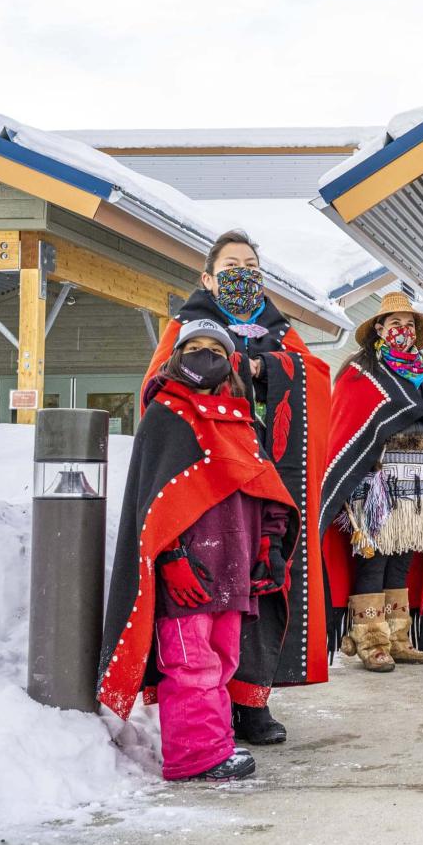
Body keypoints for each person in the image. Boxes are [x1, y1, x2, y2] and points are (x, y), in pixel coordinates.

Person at [144, 230, 332, 746]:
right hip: (208, 483)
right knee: (211, 590)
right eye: (231, 265)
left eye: (251, 264)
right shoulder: (186, 327)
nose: (242, 271)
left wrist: (267, 366)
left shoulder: (277, 329)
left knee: (262, 585)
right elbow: (155, 389)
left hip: (265, 476)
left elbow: (317, 378)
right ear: (208, 277)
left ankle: (254, 702)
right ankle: (207, 703)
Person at [99, 319, 298, 781]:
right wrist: (170, 560)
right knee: (191, 663)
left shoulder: (241, 420)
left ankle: (215, 744)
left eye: (214, 348)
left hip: (234, 568)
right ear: (176, 355)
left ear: (230, 361)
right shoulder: (164, 416)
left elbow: (263, 488)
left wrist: (268, 544)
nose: (204, 355)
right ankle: (197, 756)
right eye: (194, 346)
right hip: (187, 573)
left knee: (224, 661)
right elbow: (152, 504)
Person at [319, 292, 423, 671]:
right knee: (374, 560)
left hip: (420, 482)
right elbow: (348, 427)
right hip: (376, 483)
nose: (402, 331)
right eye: (395, 324)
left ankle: (398, 637)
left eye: (409, 325)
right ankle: (371, 641)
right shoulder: (361, 372)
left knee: (403, 561)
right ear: (380, 330)